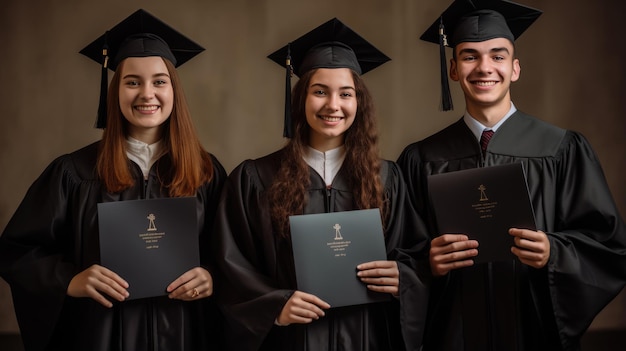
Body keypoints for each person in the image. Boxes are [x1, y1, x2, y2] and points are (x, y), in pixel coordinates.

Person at [397, 0, 626, 350]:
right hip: (454, 336)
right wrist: (428, 262)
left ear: (515, 68)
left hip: (534, 333)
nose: (484, 67)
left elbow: (608, 245)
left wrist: (554, 251)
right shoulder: (421, 158)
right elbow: (398, 252)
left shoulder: (561, 149)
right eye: (470, 56)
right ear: (454, 69)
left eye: (498, 55)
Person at [0, 9, 226, 351]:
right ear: (115, 90)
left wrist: (211, 275)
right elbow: (16, 251)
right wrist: (69, 280)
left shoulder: (206, 171)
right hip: (100, 334)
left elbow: (235, 254)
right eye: (132, 81)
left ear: (174, 91)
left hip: (182, 334)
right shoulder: (74, 172)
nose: (146, 94)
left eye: (159, 81)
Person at [211, 18, 430, 351]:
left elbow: (415, 254)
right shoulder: (256, 178)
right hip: (291, 340)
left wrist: (403, 278)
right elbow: (231, 266)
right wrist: (275, 305)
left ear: (359, 102)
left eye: (346, 93)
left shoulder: (387, 178)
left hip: (366, 337)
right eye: (319, 92)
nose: (333, 105)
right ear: (301, 99)